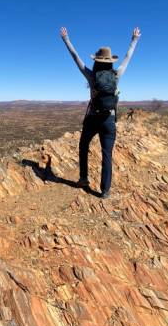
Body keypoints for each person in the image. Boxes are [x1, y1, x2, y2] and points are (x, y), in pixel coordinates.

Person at [60, 26, 141, 198]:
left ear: (96, 60)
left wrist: (66, 39)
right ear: (111, 61)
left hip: (92, 118)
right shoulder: (116, 75)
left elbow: (76, 57)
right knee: (107, 155)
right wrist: (134, 40)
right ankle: (105, 191)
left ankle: (83, 179)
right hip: (109, 120)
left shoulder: (91, 76)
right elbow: (127, 58)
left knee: (83, 146)